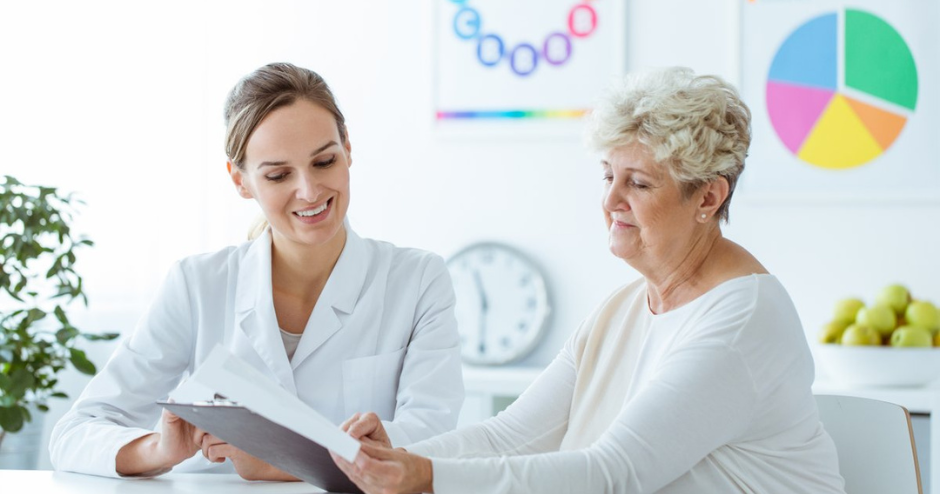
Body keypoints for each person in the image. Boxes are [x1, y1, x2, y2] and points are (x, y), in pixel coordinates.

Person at [330, 67, 847, 494]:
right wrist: (396, 454)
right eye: (608, 176)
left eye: (638, 183)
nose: (610, 201)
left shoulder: (742, 320)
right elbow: (512, 435)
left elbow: (612, 474)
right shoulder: (624, 308)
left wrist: (425, 477)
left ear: (708, 199)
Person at [49, 62, 464, 480]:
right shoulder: (197, 285)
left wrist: (277, 461)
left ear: (348, 149)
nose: (310, 191)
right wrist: (159, 448)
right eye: (279, 174)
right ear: (240, 180)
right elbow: (73, 434)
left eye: (323, 162)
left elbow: (435, 440)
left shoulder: (417, 280)